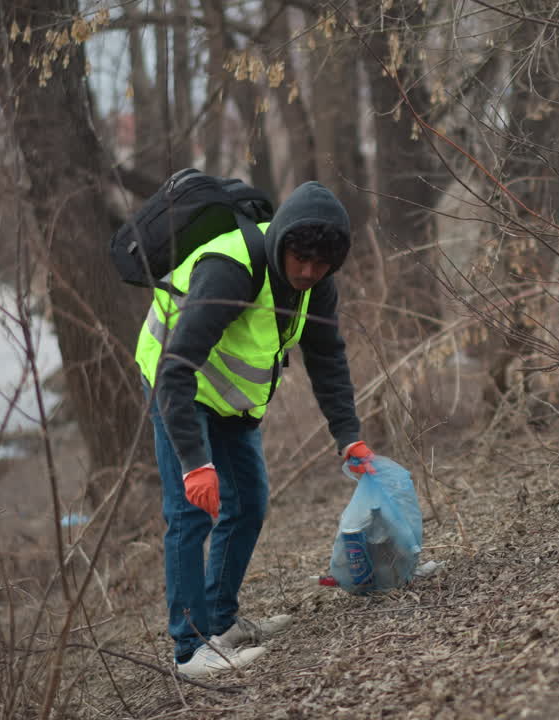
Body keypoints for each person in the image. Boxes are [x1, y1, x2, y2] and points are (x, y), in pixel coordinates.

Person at [136, 181, 374, 676]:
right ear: (281, 241)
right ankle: (189, 651)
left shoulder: (317, 284)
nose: (308, 273)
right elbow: (177, 368)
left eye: (320, 264)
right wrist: (195, 463)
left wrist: (347, 434)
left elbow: (328, 357)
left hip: (229, 399)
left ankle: (222, 622)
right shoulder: (231, 271)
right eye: (300, 260)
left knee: (248, 504)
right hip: (174, 382)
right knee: (189, 511)